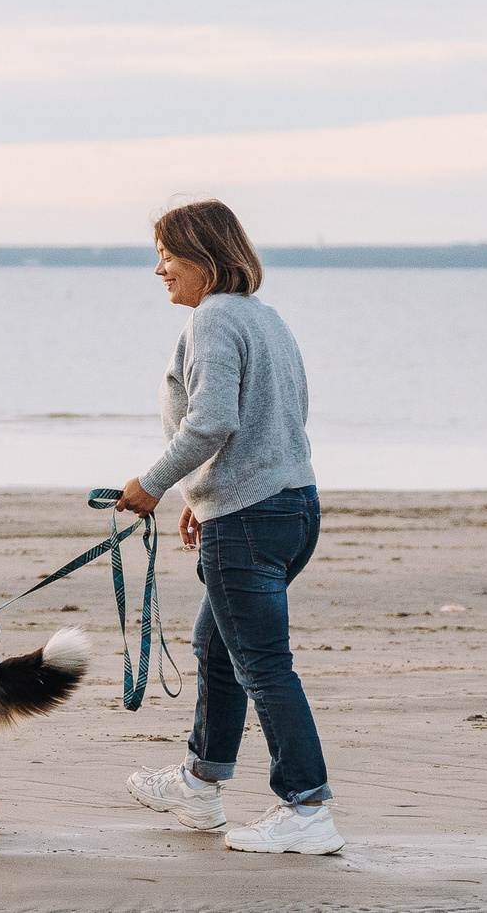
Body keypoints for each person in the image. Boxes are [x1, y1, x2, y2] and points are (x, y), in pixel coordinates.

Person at [117, 199, 339, 856]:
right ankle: (199, 782)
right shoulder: (264, 319)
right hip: (292, 507)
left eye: (168, 254)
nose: (159, 269)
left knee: (264, 666)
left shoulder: (213, 319)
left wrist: (152, 483)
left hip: (250, 519)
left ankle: (307, 809)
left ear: (205, 258)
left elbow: (212, 418)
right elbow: (277, 416)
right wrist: (201, 492)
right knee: (215, 646)